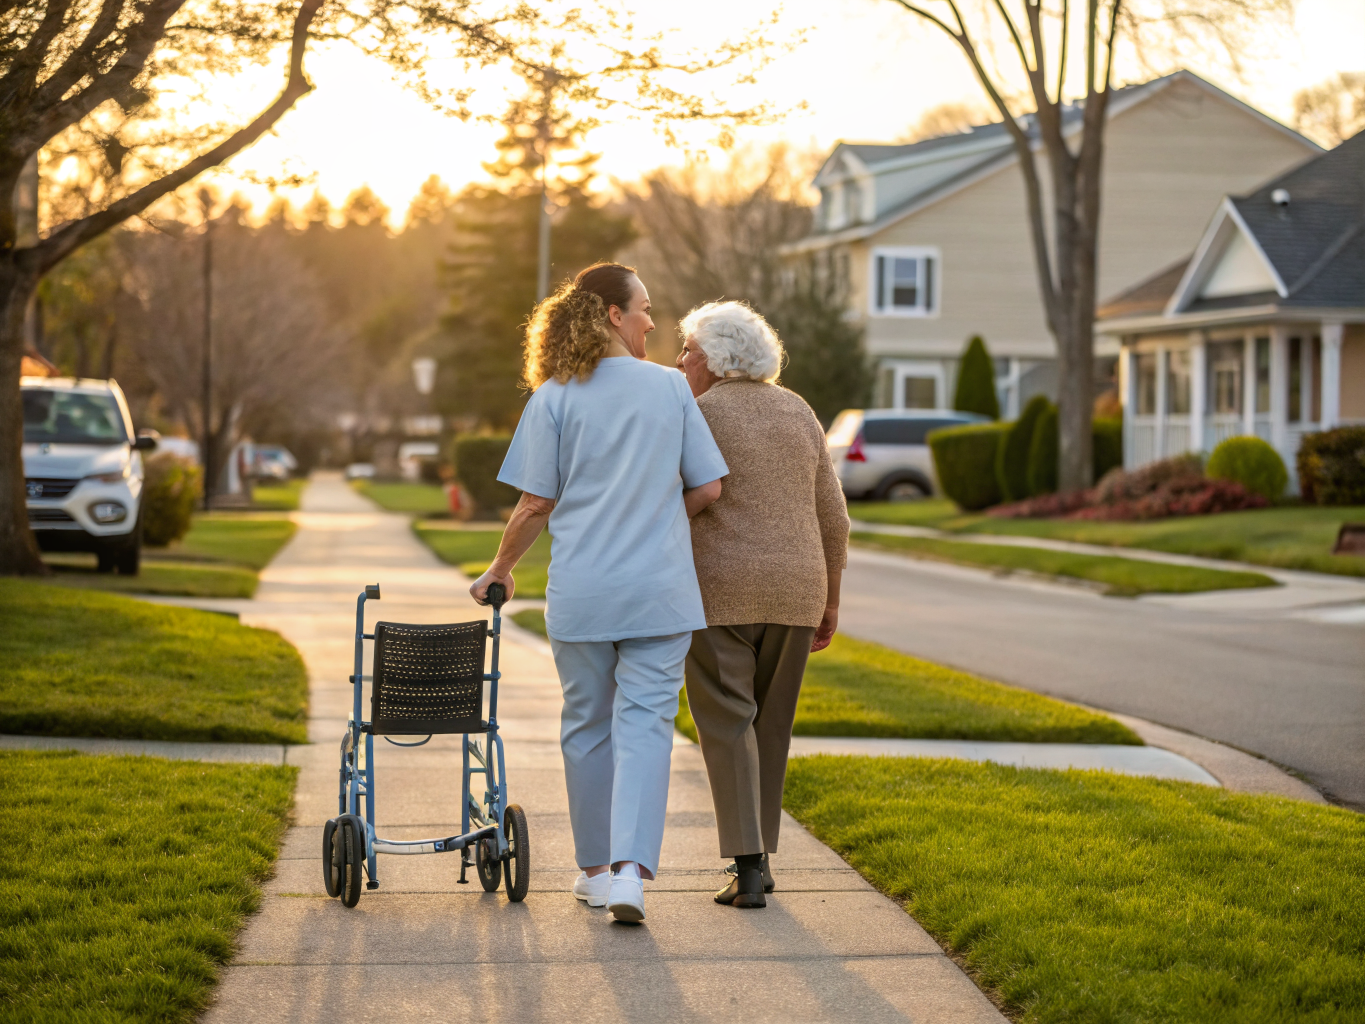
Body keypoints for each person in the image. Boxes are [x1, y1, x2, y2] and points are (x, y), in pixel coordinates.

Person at [470, 263, 728, 924]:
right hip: (658, 592)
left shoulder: (554, 395)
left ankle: (593, 872)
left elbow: (534, 503)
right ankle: (629, 877)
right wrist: (658, 517)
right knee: (645, 726)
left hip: (583, 594)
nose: (651, 319)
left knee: (586, 726)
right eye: (643, 307)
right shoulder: (671, 389)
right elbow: (707, 489)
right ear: (612, 314)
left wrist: (499, 569)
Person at [675, 300, 849, 909]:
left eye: (689, 351)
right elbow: (834, 516)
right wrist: (831, 596)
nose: (680, 361)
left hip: (719, 589)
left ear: (716, 359)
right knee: (770, 726)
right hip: (798, 589)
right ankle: (763, 859)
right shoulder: (798, 410)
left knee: (726, 723)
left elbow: (674, 497)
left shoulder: (696, 413)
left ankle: (747, 866)